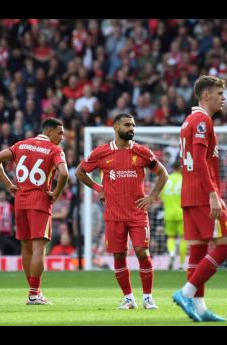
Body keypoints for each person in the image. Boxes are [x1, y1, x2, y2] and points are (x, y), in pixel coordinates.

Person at [76, 113, 168, 310]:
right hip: (114, 215)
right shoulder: (101, 153)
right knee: (119, 256)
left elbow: (163, 174)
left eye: (133, 125)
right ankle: (128, 298)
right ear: (115, 127)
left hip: (137, 214)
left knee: (142, 252)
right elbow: (80, 172)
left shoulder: (142, 152)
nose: (132, 128)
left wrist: (151, 196)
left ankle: (148, 297)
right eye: (127, 125)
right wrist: (99, 188)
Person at [173, 75, 227, 323]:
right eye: (220, 94)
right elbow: (199, 160)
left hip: (189, 194)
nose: (224, 98)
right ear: (206, 95)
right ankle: (186, 293)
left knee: (197, 251)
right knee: (225, 246)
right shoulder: (201, 121)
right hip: (202, 194)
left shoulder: (189, 120)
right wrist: (212, 195)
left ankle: (199, 309)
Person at [0, 117, 68, 305]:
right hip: (40, 200)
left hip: (20, 201)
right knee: (39, 248)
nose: (62, 137)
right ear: (48, 132)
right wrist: (56, 194)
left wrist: (9, 185)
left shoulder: (21, 145)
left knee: (26, 248)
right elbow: (64, 173)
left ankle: (34, 292)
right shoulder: (54, 149)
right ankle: (34, 294)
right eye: (60, 133)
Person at [160, 160, 187, 270]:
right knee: (183, 238)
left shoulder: (166, 180)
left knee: (171, 237)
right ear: (180, 168)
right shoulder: (184, 180)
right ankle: (181, 264)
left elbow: (161, 196)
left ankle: (171, 253)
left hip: (169, 213)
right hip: (182, 213)